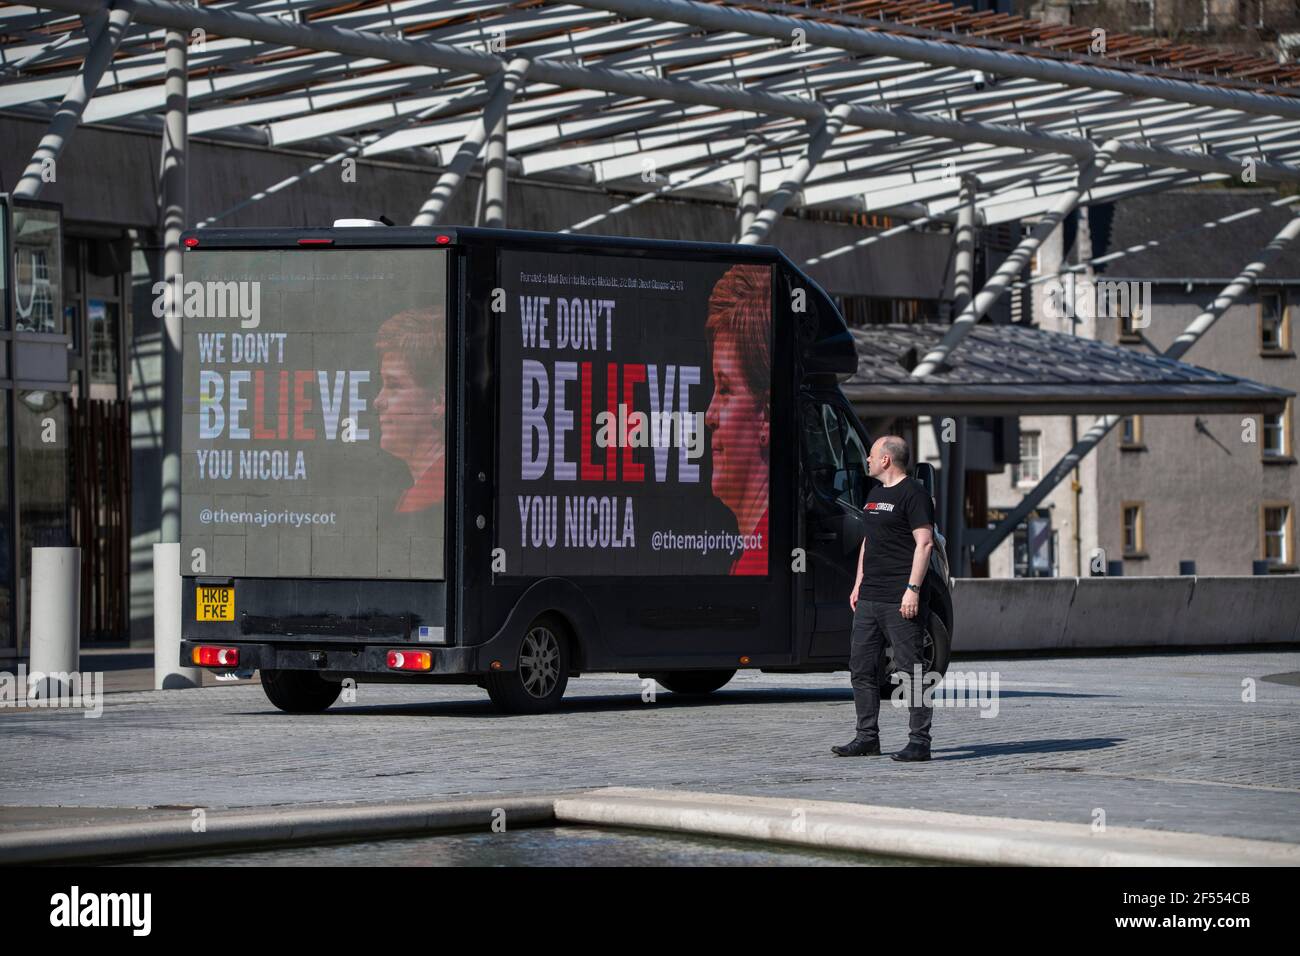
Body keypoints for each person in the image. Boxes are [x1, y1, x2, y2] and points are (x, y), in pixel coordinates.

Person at [832, 435, 936, 762]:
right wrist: (858, 583)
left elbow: (925, 544)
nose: (867, 460)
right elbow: (869, 541)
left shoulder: (915, 494)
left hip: (899, 597)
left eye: (872, 455)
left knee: (911, 670)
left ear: (887, 459)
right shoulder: (875, 495)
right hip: (869, 597)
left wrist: (913, 589)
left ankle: (919, 742)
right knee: (861, 668)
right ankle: (867, 738)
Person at [703, 263, 771, 576]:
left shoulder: (760, 560)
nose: (709, 415)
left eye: (726, 389)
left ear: (766, 416)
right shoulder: (751, 554)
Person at [373, 308, 446, 513]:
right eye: (383, 385)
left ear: (438, 402)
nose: (377, 401)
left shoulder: (431, 500)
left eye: (394, 385)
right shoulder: (430, 491)